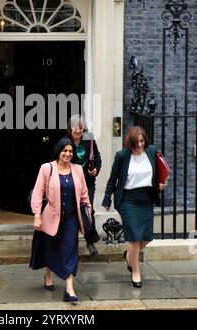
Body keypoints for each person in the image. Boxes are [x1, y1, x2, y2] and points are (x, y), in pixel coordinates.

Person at [101, 126, 167, 288]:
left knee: (146, 237)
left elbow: (158, 174)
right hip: (128, 201)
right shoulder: (122, 156)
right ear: (130, 142)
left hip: (146, 199)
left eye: (142, 141)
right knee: (134, 236)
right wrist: (107, 199)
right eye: (136, 142)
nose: (139, 145)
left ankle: (130, 256)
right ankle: (135, 270)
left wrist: (160, 184)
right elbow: (113, 179)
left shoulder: (151, 152)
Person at [30, 137, 91, 303]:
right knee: (51, 247)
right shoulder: (47, 168)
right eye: (65, 150)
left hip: (72, 218)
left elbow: (84, 195)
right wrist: (36, 215)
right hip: (51, 216)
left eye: (70, 151)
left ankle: (69, 289)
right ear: (59, 151)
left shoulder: (78, 169)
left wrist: (88, 215)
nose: (68, 154)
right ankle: (48, 274)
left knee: (70, 249)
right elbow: (37, 192)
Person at [67, 115, 102, 256]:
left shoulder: (89, 139)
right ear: (70, 128)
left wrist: (95, 170)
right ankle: (71, 242)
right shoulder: (66, 141)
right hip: (70, 181)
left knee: (88, 211)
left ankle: (90, 241)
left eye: (80, 127)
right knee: (71, 212)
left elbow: (97, 158)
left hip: (87, 182)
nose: (78, 130)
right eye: (75, 127)